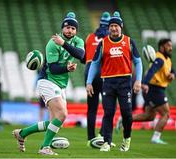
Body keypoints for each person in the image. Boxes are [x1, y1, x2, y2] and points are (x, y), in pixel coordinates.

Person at [12, 12, 85, 156]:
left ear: (76, 30)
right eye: (67, 27)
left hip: (61, 85)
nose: (70, 30)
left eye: (73, 28)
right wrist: (67, 67)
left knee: (55, 121)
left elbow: (81, 55)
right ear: (62, 29)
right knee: (62, 114)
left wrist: (64, 44)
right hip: (47, 81)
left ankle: (22, 133)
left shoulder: (78, 41)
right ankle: (44, 147)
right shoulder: (53, 42)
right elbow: (53, 69)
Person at [86, 11, 143, 152]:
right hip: (108, 82)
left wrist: (138, 81)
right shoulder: (103, 43)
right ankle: (107, 142)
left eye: (116, 25)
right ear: (109, 27)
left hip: (125, 82)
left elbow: (138, 61)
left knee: (127, 113)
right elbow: (94, 63)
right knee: (108, 113)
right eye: (111, 26)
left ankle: (126, 139)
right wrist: (88, 82)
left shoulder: (129, 41)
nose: (113, 28)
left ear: (121, 26)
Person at [133, 38, 175, 144]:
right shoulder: (159, 59)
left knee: (149, 116)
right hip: (154, 89)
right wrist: (145, 83)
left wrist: (172, 74)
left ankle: (125, 119)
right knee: (166, 114)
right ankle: (156, 137)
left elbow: (172, 69)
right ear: (162, 47)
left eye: (171, 45)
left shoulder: (167, 59)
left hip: (156, 89)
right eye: (168, 45)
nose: (171, 48)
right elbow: (151, 71)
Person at [84, 11, 111, 145]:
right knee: (108, 106)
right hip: (103, 71)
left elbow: (84, 58)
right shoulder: (110, 39)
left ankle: (90, 138)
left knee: (91, 108)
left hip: (89, 71)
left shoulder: (89, 37)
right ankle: (102, 134)